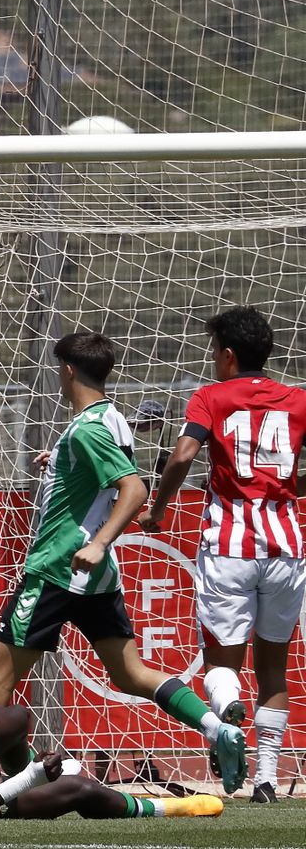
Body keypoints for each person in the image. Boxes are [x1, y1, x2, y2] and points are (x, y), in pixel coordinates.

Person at [0, 331, 248, 793]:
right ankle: (215, 727)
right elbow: (103, 471)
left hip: (59, 566)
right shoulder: (111, 419)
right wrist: (60, 461)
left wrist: (100, 541)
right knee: (129, 673)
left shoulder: (88, 428)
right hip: (95, 579)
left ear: (67, 370)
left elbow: (134, 488)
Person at [140, 307, 306, 803]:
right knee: (273, 666)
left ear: (228, 355)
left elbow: (185, 455)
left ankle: (228, 720)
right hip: (286, 547)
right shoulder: (298, 400)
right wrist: (285, 488)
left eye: (214, 352)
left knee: (221, 666)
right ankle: (268, 780)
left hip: (229, 547)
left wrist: (158, 507)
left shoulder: (211, 397)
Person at [0, 621, 223, 820]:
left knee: (16, 717)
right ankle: (166, 808)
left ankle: (29, 788)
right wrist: (26, 778)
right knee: (81, 789)